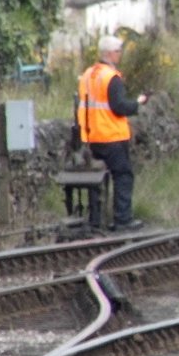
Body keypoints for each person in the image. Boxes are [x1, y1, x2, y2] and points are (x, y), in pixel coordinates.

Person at [77, 35, 150, 231]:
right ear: (109, 53)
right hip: (112, 136)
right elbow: (119, 106)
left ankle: (94, 220)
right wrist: (138, 103)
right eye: (118, 51)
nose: (120, 55)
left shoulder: (87, 75)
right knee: (123, 176)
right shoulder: (111, 77)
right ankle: (122, 220)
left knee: (94, 178)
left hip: (91, 137)